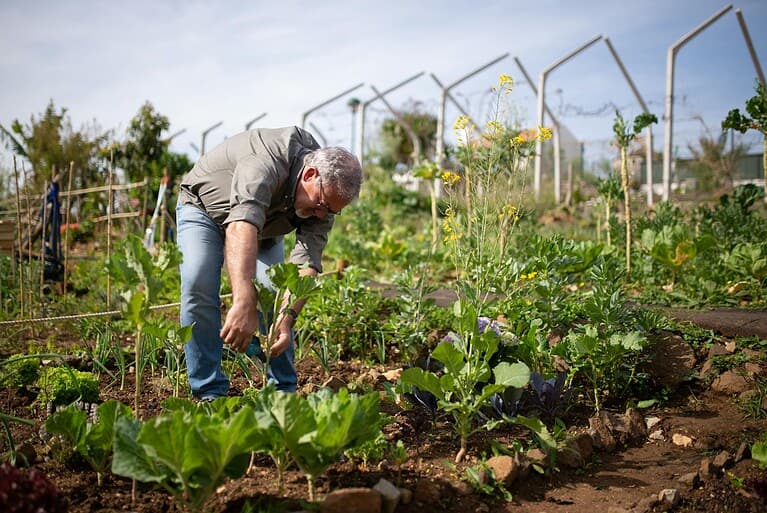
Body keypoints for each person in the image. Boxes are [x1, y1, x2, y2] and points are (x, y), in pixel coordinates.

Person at [176, 126, 363, 400]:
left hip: (264, 226)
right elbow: (241, 226)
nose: (322, 214)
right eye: (321, 204)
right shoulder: (265, 161)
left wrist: (286, 322)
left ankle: (282, 394)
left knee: (274, 294)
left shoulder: (323, 204)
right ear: (309, 175)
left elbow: (306, 265)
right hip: (205, 209)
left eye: (331, 211)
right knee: (198, 282)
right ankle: (209, 392)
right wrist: (243, 301)